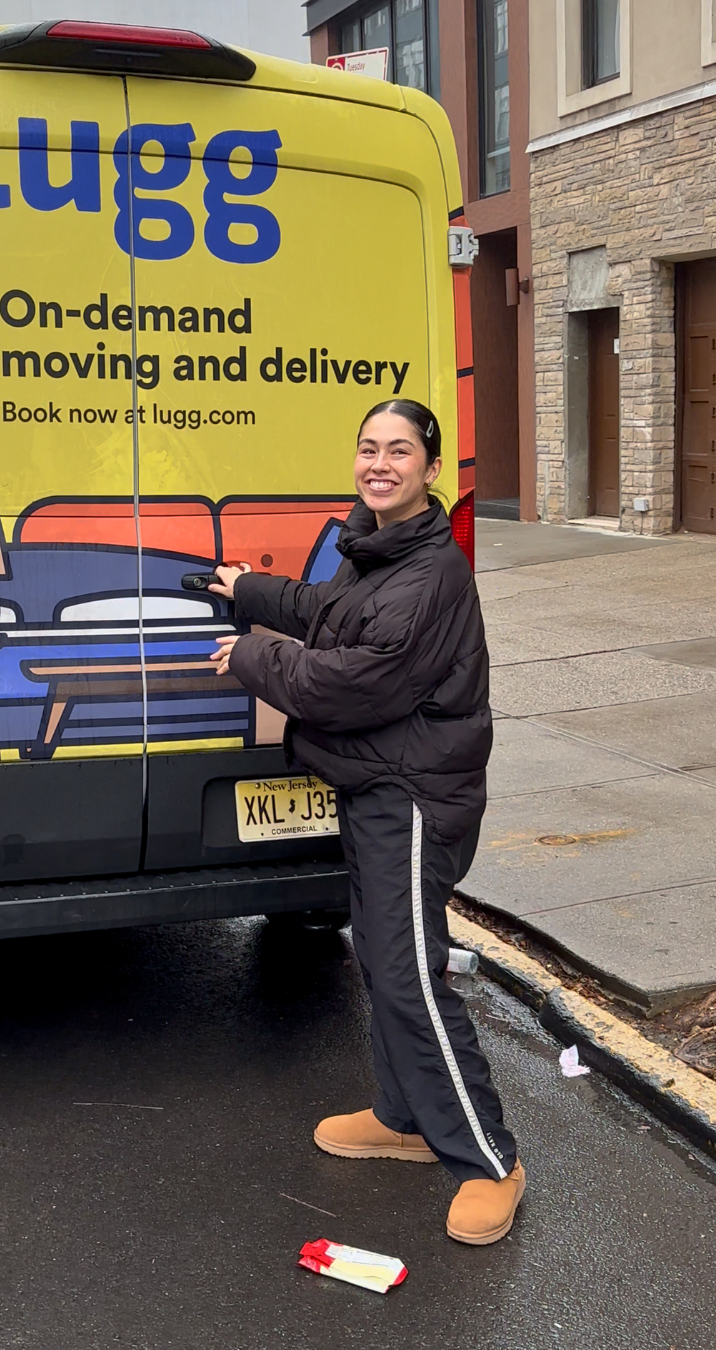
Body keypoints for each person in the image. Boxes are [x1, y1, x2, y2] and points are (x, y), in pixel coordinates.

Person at [209, 399, 524, 1246]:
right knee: (381, 963)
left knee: (410, 973)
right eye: (367, 448)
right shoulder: (379, 546)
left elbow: (350, 681)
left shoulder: (430, 575)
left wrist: (248, 654)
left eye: (399, 451)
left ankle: (489, 1158)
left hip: (413, 797)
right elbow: (329, 613)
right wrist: (252, 592)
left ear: (430, 469)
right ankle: (404, 1118)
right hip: (378, 783)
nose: (379, 463)